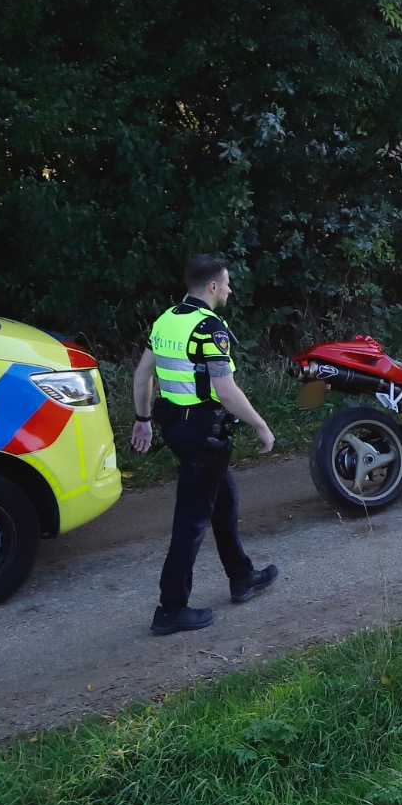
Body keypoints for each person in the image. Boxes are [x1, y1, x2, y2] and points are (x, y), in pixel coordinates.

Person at [130, 254, 278, 634]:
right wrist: (261, 425)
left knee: (224, 502)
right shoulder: (210, 328)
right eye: (226, 283)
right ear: (212, 286)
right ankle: (170, 609)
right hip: (202, 433)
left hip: (177, 428)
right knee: (192, 522)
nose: (230, 288)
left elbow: (143, 375)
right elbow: (225, 392)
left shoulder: (166, 319)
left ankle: (242, 577)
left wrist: (143, 420)